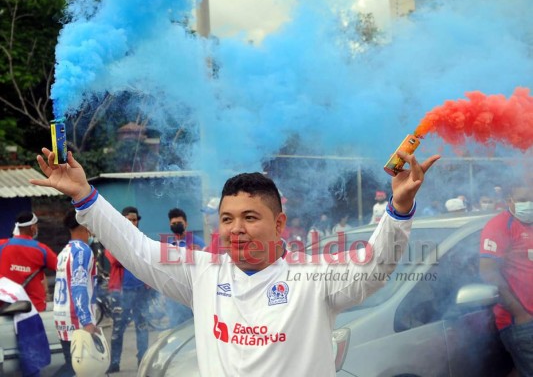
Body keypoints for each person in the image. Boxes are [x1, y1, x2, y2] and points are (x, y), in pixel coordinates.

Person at [31, 148, 439, 377]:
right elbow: (137, 249)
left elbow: (374, 266)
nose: (235, 230)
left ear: (279, 224)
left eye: (249, 217)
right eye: (227, 219)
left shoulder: (314, 277)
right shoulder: (202, 273)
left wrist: (398, 210)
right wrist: (85, 197)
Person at [480, 176, 533, 377]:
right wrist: (520, 314)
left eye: (531, 198)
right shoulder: (500, 226)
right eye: (522, 199)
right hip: (522, 323)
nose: (528, 204)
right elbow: (488, 271)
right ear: (509, 200)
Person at [53, 209, 98, 377]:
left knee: (72, 365)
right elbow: (79, 287)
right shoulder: (83, 251)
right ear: (85, 224)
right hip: (76, 320)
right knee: (80, 368)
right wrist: (87, 321)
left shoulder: (65, 251)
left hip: (61, 316)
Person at [105, 206, 150, 373]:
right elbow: (114, 260)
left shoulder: (142, 239)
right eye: (128, 219)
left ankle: (143, 362)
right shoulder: (114, 238)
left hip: (142, 290)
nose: (132, 222)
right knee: (118, 328)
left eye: (134, 219)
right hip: (122, 292)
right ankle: (115, 363)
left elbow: (148, 259)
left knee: (142, 327)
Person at [0, 211, 57, 312]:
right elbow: (61, 268)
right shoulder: (41, 250)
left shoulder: (2, 245)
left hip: (5, 309)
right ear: (32, 228)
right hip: (34, 309)